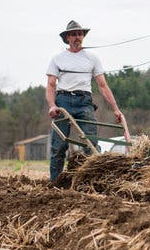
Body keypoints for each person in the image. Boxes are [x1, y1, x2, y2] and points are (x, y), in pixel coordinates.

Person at [46, 20, 124, 181]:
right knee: (58, 146)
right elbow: (51, 84)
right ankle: (54, 184)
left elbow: (102, 86)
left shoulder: (92, 58)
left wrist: (115, 109)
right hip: (63, 102)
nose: (77, 37)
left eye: (80, 34)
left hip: (84, 102)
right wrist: (52, 105)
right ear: (67, 37)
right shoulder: (57, 59)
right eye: (73, 34)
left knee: (91, 144)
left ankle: (92, 182)